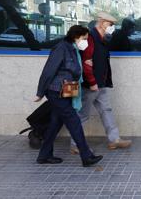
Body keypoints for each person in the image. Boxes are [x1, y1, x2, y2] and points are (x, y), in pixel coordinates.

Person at [35, 25, 103, 167]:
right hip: (56, 91)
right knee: (74, 122)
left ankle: (44, 155)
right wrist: (40, 92)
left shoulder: (73, 49)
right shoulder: (62, 48)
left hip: (65, 90)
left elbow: (74, 69)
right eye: (84, 38)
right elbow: (48, 71)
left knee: (55, 123)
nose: (85, 41)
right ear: (76, 37)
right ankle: (86, 156)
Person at [70, 12, 132, 154]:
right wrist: (92, 83)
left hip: (101, 83)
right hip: (91, 84)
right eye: (111, 24)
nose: (112, 27)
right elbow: (86, 63)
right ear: (102, 22)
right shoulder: (90, 38)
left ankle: (114, 140)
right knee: (82, 114)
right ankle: (75, 144)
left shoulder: (103, 38)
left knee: (106, 110)